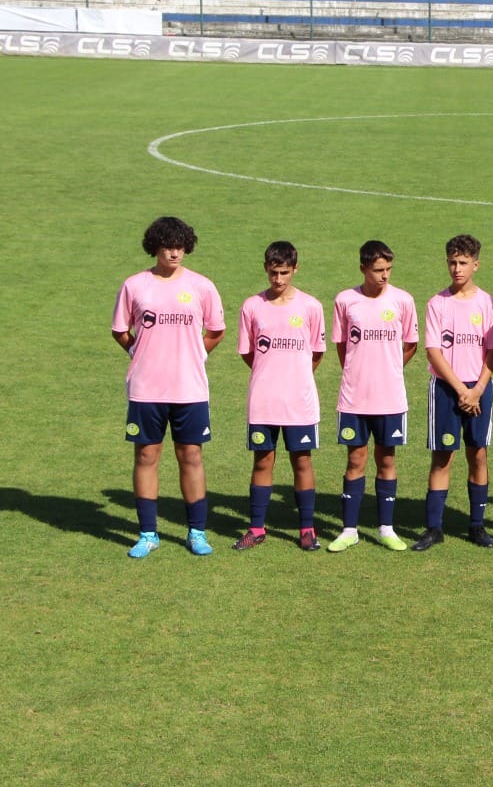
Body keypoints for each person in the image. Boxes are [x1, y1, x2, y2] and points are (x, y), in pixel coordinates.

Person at [112, 216, 225, 558]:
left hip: (189, 388)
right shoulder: (135, 285)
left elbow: (216, 330)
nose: (174, 253)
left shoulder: (202, 286)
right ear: (155, 248)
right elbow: (120, 330)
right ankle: (148, 533)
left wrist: (192, 354)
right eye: (167, 247)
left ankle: (197, 532)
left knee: (190, 455)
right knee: (146, 455)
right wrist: (139, 352)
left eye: (179, 246)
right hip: (146, 389)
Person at [412, 234, 493, 552]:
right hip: (447, 390)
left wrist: (476, 389)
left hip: (478, 389)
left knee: (478, 454)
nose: (457, 268)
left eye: (463, 262)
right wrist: (462, 389)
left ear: (476, 264)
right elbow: (433, 351)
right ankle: (433, 528)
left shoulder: (488, 303)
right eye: (452, 262)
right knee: (442, 456)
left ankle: (476, 526)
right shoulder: (437, 303)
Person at [235, 241, 325, 552]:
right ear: (265, 269)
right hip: (263, 401)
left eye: (284, 272)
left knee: (302, 461)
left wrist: (295, 375)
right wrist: (269, 372)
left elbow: (317, 353)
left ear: (295, 269)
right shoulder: (252, 306)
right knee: (263, 460)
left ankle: (307, 529)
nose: (278, 279)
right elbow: (248, 353)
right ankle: (257, 528)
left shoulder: (311, 307)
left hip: (299, 401)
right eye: (273, 272)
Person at [329, 240, 419, 552]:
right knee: (355, 458)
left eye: (388, 269)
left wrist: (390, 368)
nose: (384, 276)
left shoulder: (403, 301)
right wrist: (356, 370)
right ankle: (349, 530)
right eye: (378, 270)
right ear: (363, 269)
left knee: (387, 458)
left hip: (390, 397)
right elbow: (342, 345)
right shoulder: (345, 300)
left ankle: (386, 528)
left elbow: (410, 344)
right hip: (354, 397)